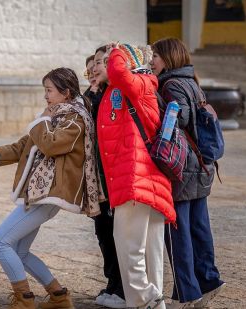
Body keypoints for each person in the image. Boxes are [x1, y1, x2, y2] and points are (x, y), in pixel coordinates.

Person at [0, 67, 103, 309]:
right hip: (40, 194)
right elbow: (23, 148)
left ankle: (24, 300)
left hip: (49, 196)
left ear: (66, 92)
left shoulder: (76, 119)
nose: (46, 96)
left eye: (49, 90)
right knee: (19, 250)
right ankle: (59, 296)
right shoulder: (56, 116)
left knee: (0, 242)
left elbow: (50, 145)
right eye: (45, 90)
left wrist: (41, 118)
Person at [92, 42, 176, 309]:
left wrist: (118, 51)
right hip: (140, 179)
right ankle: (153, 302)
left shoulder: (139, 83)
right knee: (149, 251)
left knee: (128, 246)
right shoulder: (120, 89)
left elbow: (118, 72)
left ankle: (146, 298)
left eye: (107, 60)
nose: (102, 65)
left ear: (127, 63)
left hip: (135, 179)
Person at [150, 37, 225, 309]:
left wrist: (160, 112)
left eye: (155, 56)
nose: (151, 62)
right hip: (202, 165)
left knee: (178, 234)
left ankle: (189, 293)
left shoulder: (170, 85)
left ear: (167, 58)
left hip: (181, 168)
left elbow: (177, 118)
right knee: (199, 228)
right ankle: (209, 281)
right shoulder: (192, 80)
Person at [84, 52, 125, 309]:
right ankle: (112, 284)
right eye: (88, 68)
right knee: (103, 235)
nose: (91, 71)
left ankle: (122, 288)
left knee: (116, 235)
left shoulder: (112, 95)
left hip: (112, 179)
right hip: (97, 182)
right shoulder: (92, 96)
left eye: (97, 65)